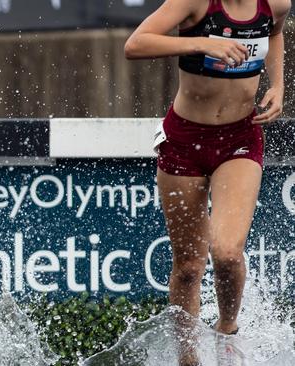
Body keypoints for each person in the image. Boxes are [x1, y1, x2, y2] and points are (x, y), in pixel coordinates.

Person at [124, 0, 290, 364]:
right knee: (188, 267)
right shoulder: (194, 3)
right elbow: (135, 45)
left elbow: (274, 33)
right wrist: (202, 43)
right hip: (184, 140)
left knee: (228, 253)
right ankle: (189, 359)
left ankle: (227, 332)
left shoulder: (275, 3)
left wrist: (277, 84)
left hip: (240, 139)